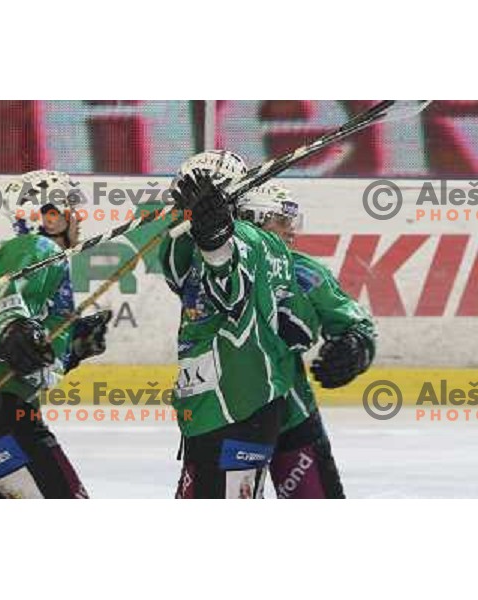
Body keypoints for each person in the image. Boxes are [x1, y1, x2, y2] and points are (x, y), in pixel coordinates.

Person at [0, 170, 110, 498]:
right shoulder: (37, 247)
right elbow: (4, 308)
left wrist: (71, 348)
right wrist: (12, 330)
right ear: (50, 214)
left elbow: (29, 349)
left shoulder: (46, 257)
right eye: (71, 208)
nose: (79, 219)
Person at [161, 151, 319, 499]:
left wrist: (215, 238)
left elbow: (230, 292)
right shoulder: (258, 243)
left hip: (231, 404)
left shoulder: (246, 238)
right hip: (230, 404)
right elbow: (179, 274)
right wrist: (188, 222)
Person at [236, 183, 377, 498]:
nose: (291, 230)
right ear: (254, 220)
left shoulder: (303, 271)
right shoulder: (221, 269)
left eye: (292, 220)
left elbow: (355, 322)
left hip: (292, 410)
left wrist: (355, 345)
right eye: (282, 220)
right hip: (233, 412)